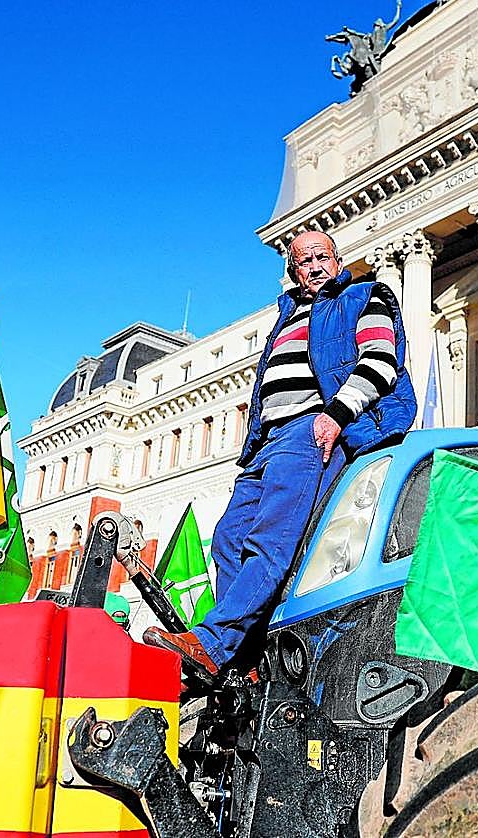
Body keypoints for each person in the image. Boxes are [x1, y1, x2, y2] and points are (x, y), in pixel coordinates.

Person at [144, 231, 416, 680]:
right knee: (228, 538)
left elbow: (381, 361)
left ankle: (215, 643)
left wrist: (334, 415)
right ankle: (243, 659)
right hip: (266, 443)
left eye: (321, 256)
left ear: (337, 259)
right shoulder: (286, 317)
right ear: (292, 269)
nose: (313, 265)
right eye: (303, 259)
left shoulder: (361, 296)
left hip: (308, 429)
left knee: (271, 540)